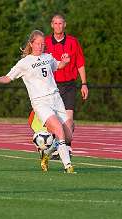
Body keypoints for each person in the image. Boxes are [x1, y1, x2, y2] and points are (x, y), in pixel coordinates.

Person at [0, 30, 76, 173]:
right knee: (59, 130)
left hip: (56, 98)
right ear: (31, 44)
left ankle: (46, 154)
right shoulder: (24, 63)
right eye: (37, 44)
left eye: (43, 44)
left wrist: (64, 62)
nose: (40, 46)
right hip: (40, 102)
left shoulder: (48, 57)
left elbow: (58, 65)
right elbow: (9, 77)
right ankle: (68, 166)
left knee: (68, 134)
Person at [29, 14, 88, 156]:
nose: (58, 26)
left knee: (68, 119)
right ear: (51, 25)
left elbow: (80, 63)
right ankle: (56, 145)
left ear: (65, 25)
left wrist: (84, 84)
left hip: (69, 86)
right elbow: (36, 61)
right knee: (53, 122)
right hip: (51, 88)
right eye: (55, 23)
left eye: (60, 23)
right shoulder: (46, 42)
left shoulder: (73, 42)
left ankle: (66, 146)